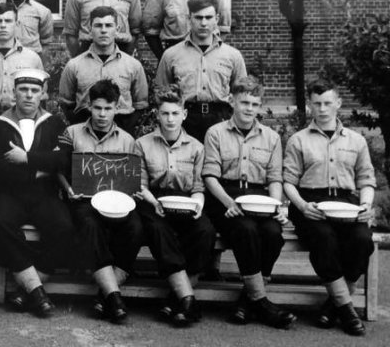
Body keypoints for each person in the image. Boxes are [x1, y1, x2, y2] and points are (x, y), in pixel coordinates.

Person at [283, 79, 376, 336]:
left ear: (338, 103)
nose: (322, 109)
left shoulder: (357, 141)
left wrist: (365, 206)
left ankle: (333, 305)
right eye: (317, 104)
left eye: (327, 103)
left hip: (346, 203)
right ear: (310, 105)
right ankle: (347, 310)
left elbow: (366, 180)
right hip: (310, 203)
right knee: (324, 239)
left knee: (362, 239)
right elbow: (288, 182)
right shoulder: (298, 140)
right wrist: (302, 205)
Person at [202, 76, 296, 328]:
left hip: (259, 199)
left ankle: (249, 300)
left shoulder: (271, 137)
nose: (249, 109)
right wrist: (227, 202)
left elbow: (275, 178)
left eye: (255, 104)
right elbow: (210, 175)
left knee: (273, 233)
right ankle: (262, 302)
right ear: (232, 101)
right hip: (224, 197)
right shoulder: (215, 133)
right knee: (246, 230)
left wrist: (276, 207)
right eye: (244, 102)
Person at [0, 68, 73, 318]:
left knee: (64, 226)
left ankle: (26, 288)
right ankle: (36, 290)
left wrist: (25, 158)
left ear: (43, 94)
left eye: (34, 91)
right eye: (23, 90)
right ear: (13, 92)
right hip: (9, 193)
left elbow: (63, 160)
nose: (28, 95)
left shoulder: (55, 122)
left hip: (44, 194)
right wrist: (39, 169)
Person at [57, 79, 143, 324]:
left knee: (136, 227)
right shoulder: (72, 133)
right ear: (89, 107)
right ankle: (114, 297)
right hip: (83, 199)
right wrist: (69, 189)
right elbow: (59, 169)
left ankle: (103, 293)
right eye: (97, 108)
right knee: (90, 225)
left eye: (108, 108)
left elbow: (131, 176)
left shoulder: (127, 139)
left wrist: (133, 191)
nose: (102, 114)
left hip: (117, 203)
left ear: (117, 107)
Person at [134, 85, 215, 327]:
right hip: (153, 201)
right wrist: (153, 201)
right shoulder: (142, 144)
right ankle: (188, 299)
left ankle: (176, 296)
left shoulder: (197, 147)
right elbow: (140, 184)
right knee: (158, 230)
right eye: (165, 113)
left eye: (175, 113)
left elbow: (199, 188)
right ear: (157, 114)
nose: (170, 119)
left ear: (184, 115)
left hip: (187, 202)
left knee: (205, 231)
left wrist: (198, 205)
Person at [155, 0, 246, 142]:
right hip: (184, 119)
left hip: (221, 117)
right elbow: (161, 92)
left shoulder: (232, 56)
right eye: (198, 17)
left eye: (208, 17)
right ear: (189, 18)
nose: (203, 23)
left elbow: (241, 94)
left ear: (216, 19)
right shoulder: (171, 55)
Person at [59, 6, 149, 134]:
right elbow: (66, 104)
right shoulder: (74, 65)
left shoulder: (133, 65)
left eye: (108, 25)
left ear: (117, 29)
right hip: (84, 129)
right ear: (90, 30)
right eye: (98, 25)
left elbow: (141, 105)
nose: (103, 30)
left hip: (122, 130)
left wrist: (126, 130)